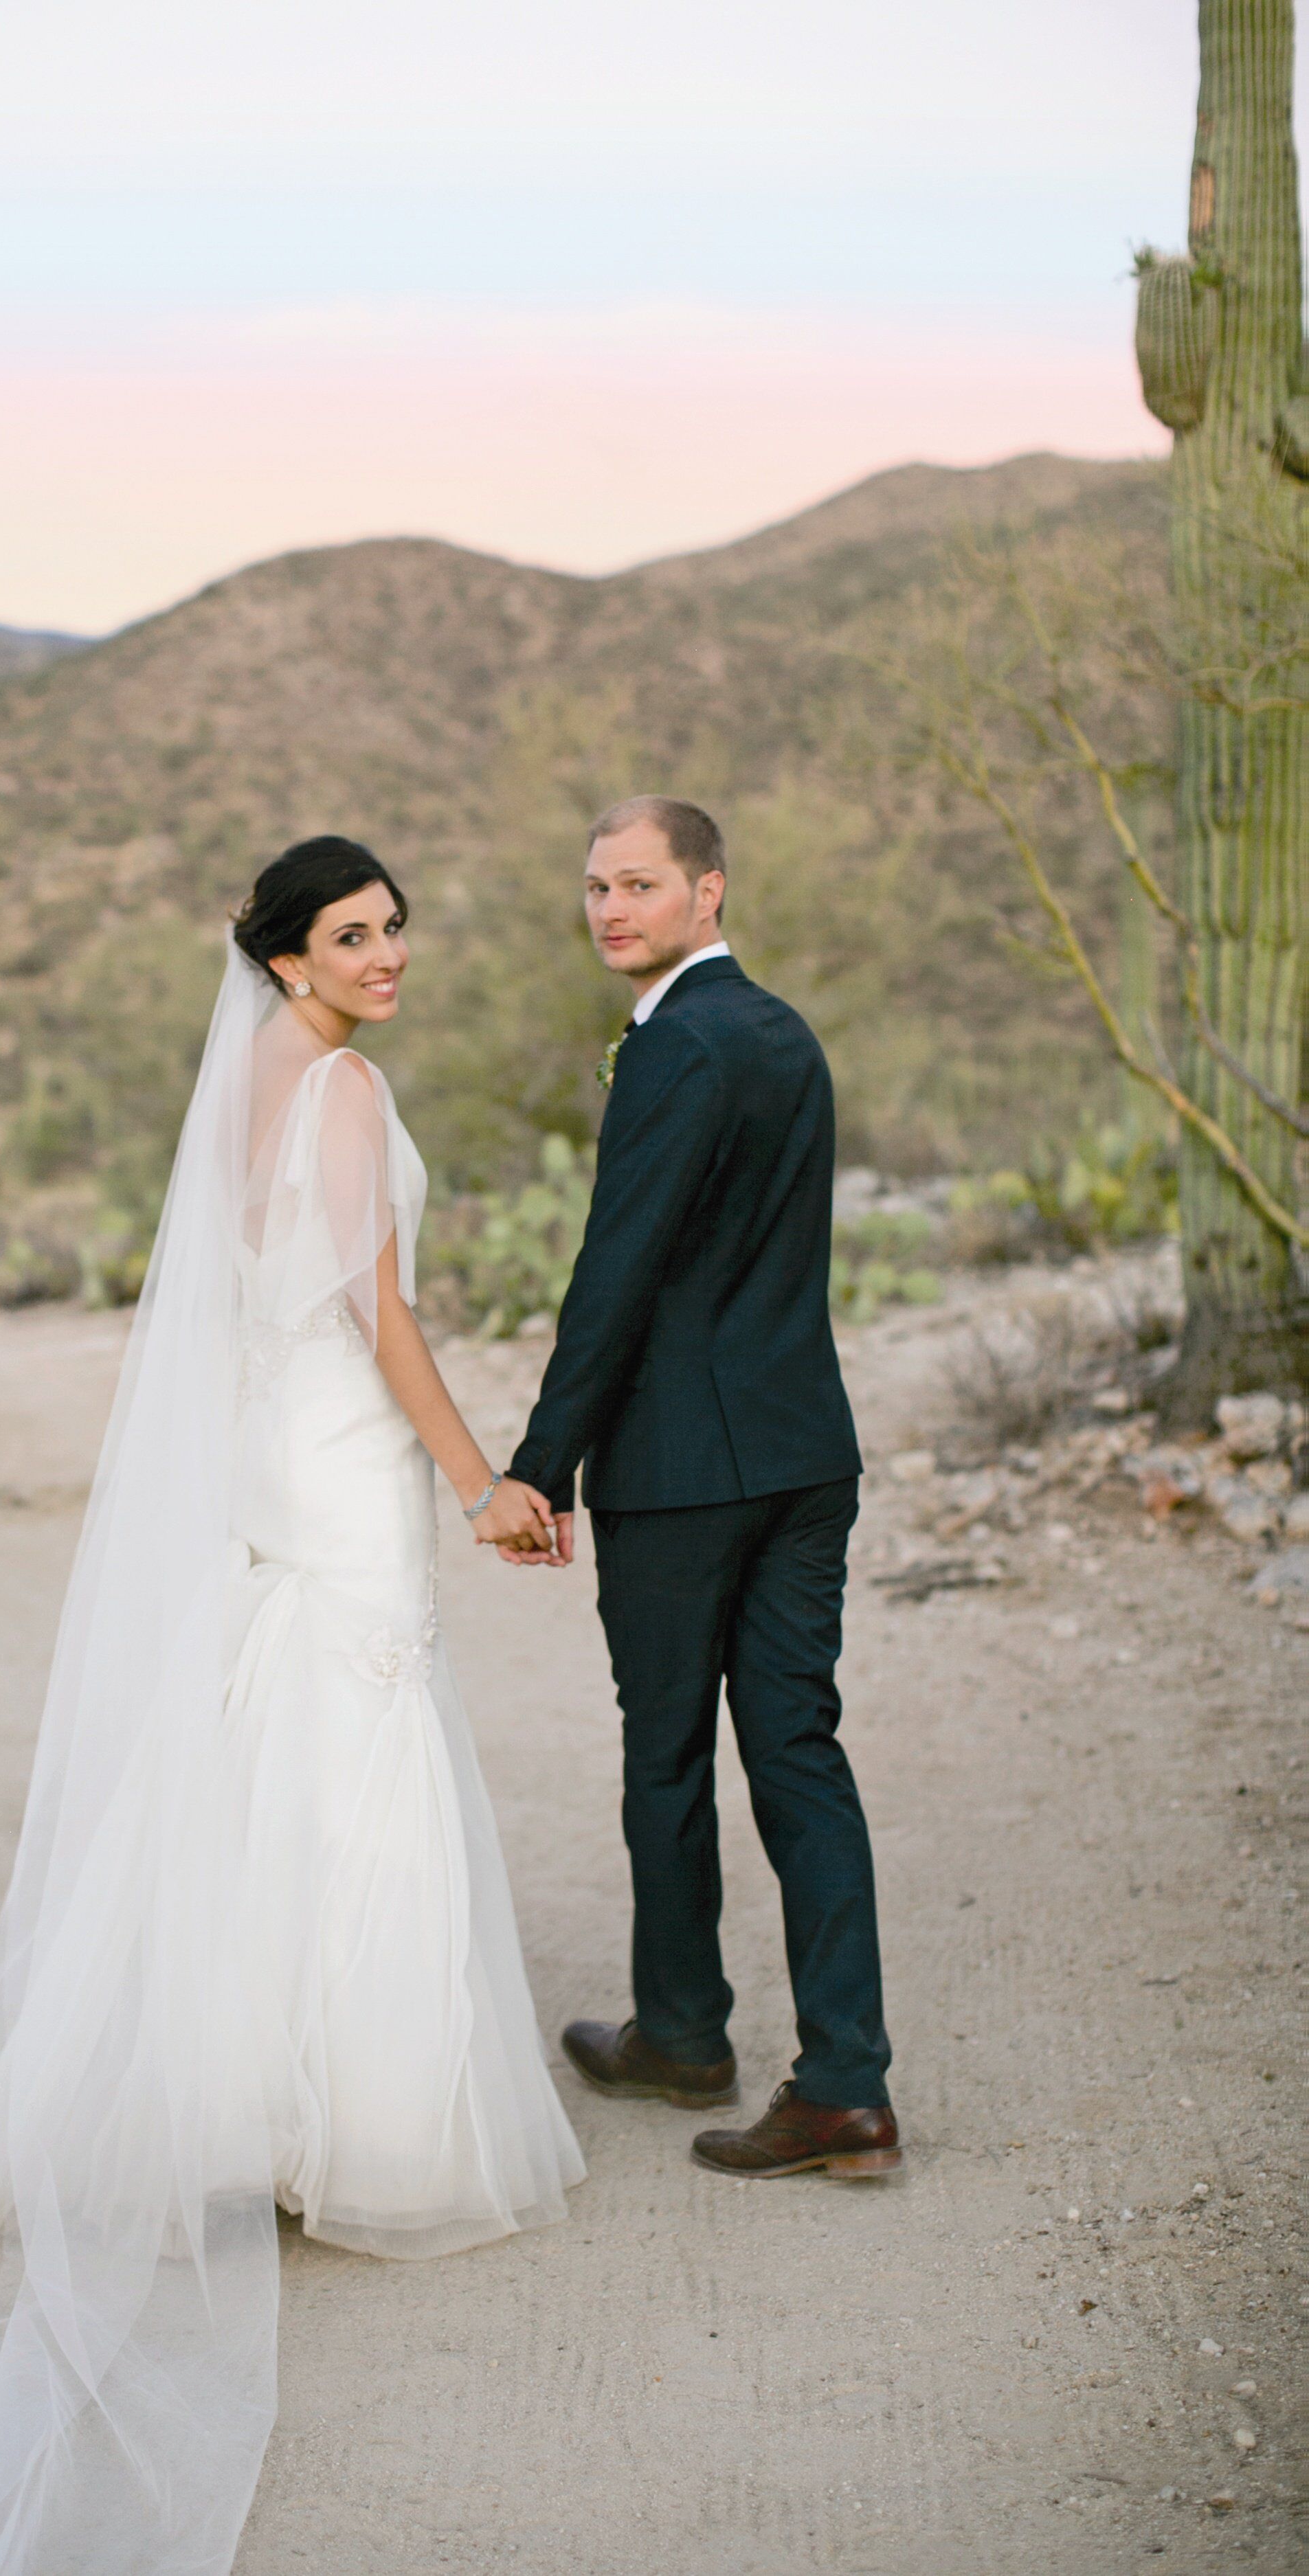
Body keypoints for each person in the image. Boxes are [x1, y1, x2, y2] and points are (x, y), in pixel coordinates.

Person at [0, 837, 583, 2576]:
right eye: (351, 937)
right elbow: (379, 1317)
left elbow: (236, 1307)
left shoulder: (246, 1086)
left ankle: (237, 2108)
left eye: (393, 929)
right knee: (358, 1737)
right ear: (283, 961)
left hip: (267, 1452)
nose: (385, 956)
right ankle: (359, 2130)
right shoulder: (337, 1086)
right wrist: (480, 1475)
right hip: (343, 1454)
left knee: (277, 1734)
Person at [500, 796, 901, 2183]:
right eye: (595, 885)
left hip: (682, 1473)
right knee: (799, 1750)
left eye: (639, 885)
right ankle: (845, 2084)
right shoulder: (783, 1032)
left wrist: (539, 1464)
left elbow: (616, 1272)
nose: (609, 909)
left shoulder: (673, 1046)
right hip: (803, 1453)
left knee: (667, 1752)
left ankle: (681, 2035)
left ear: (707, 891)